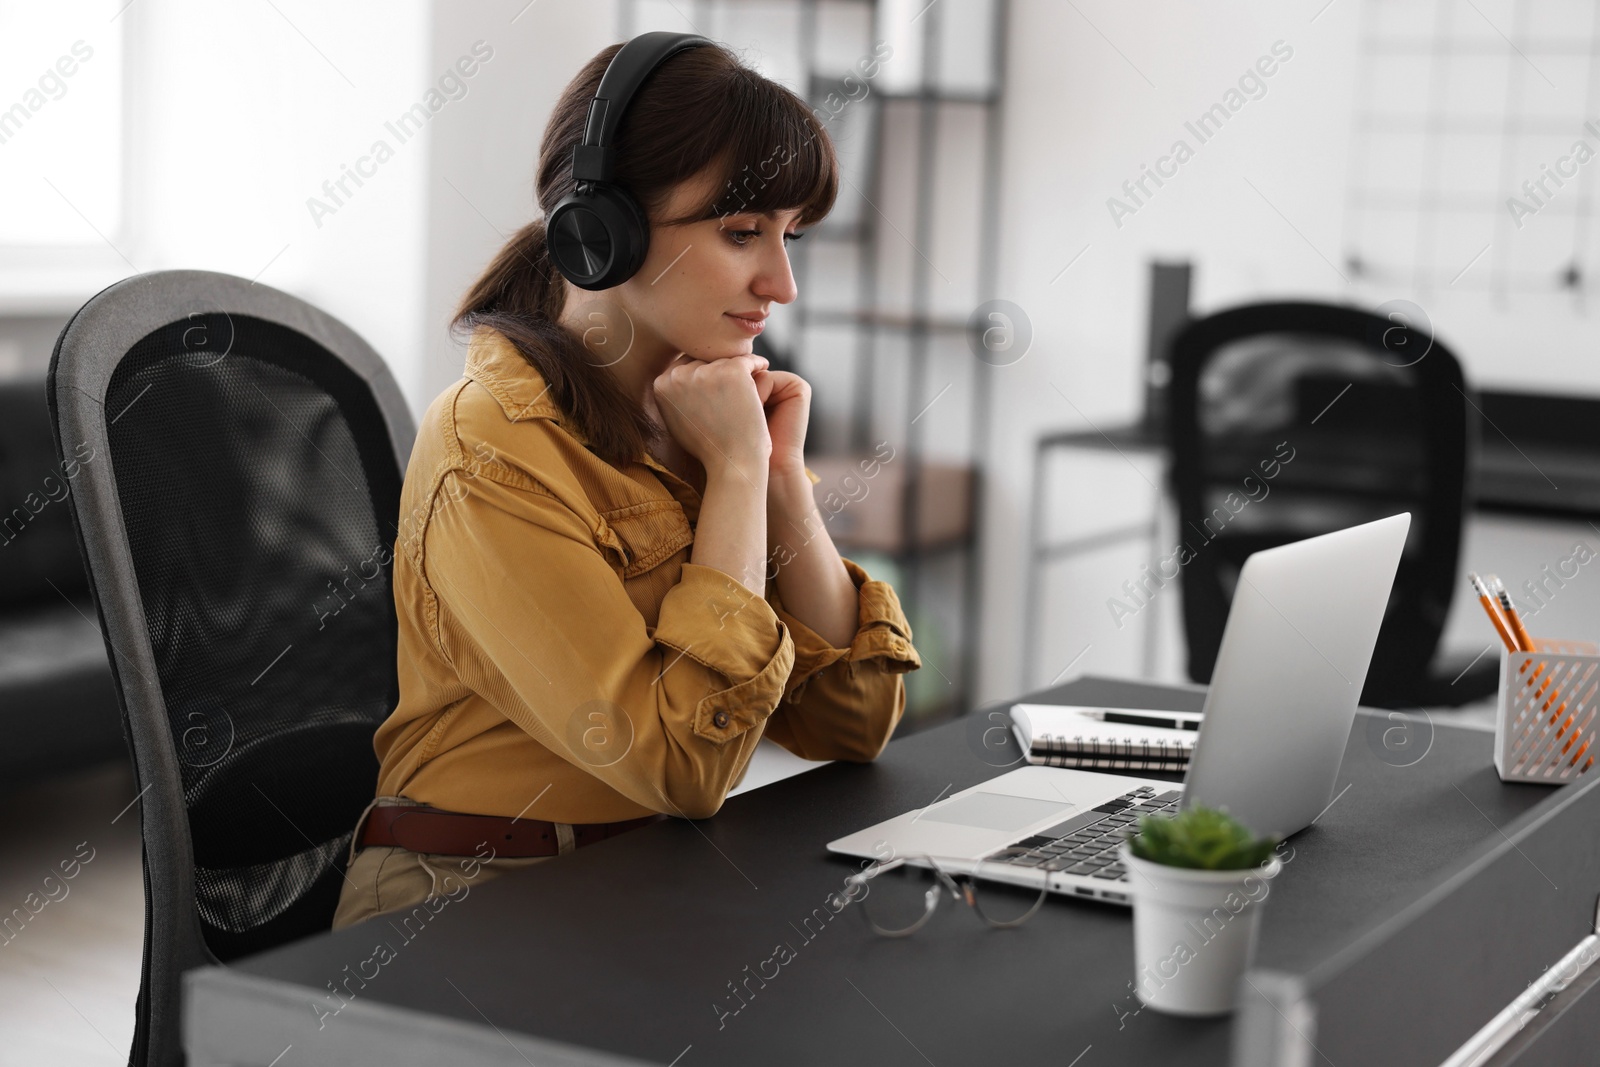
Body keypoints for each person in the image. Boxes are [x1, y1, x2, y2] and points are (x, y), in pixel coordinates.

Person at [331, 38, 921, 929]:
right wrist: (732, 474)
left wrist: (777, 475)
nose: (783, 283)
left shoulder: (701, 413)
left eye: (789, 234)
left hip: (640, 877)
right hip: (464, 903)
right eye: (740, 233)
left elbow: (855, 720)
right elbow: (682, 764)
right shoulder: (492, 444)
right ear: (601, 231)